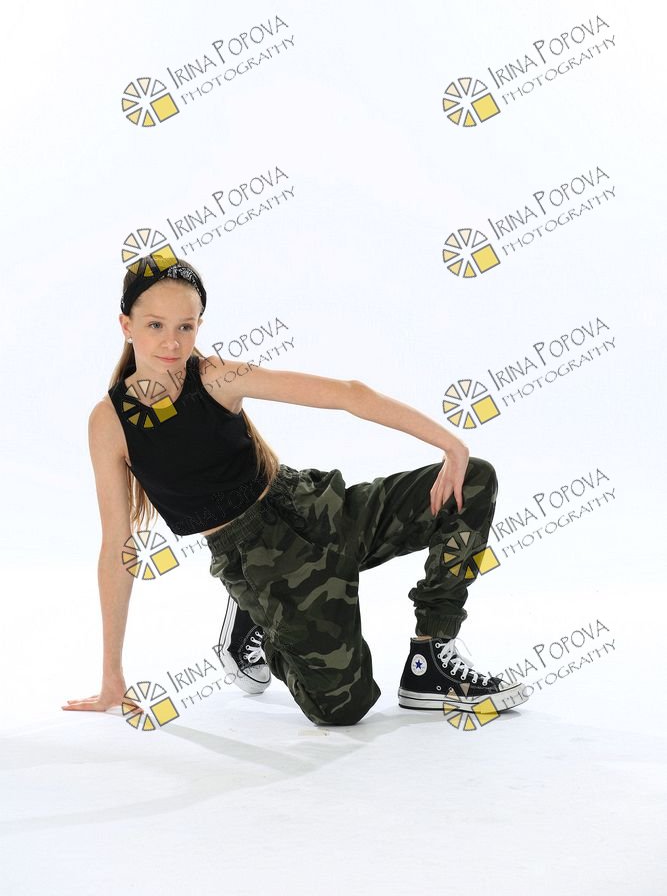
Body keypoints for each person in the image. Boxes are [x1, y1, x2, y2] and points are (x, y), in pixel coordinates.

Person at [62, 257, 526, 726]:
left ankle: (431, 657)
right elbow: (118, 548)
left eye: (186, 325)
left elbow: (349, 394)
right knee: (343, 708)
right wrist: (112, 677)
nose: (172, 341)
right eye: (155, 325)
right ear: (126, 325)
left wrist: (450, 445)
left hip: (312, 505)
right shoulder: (111, 422)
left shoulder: (216, 377)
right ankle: (259, 625)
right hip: (260, 563)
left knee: (472, 481)